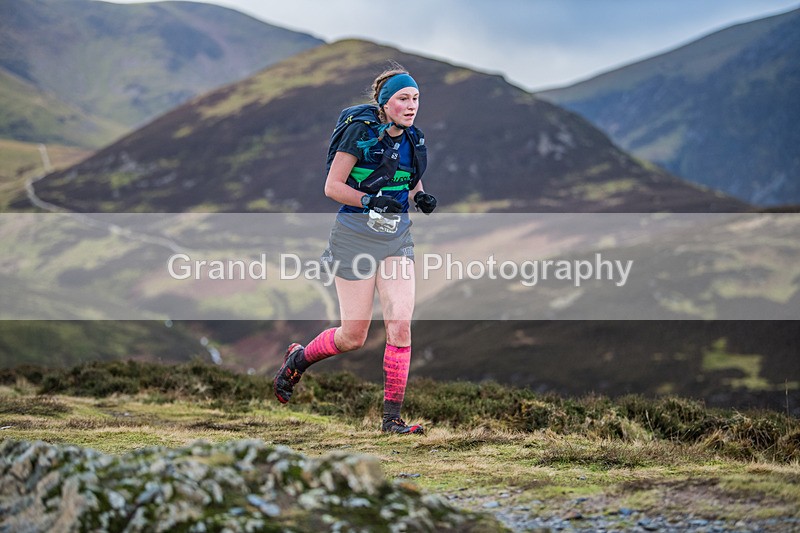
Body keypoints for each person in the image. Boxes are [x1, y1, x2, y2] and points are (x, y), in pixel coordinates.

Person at [273, 66, 437, 435]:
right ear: (385, 102)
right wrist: (371, 201)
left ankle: (391, 420)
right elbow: (333, 186)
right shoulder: (359, 133)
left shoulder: (414, 139)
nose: (411, 107)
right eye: (403, 99)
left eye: (416, 99)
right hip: (354, 240)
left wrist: (419, 196)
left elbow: (406, 180)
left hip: (397, 240)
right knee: (353, 337)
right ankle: (297, 359)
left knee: (400, 324)